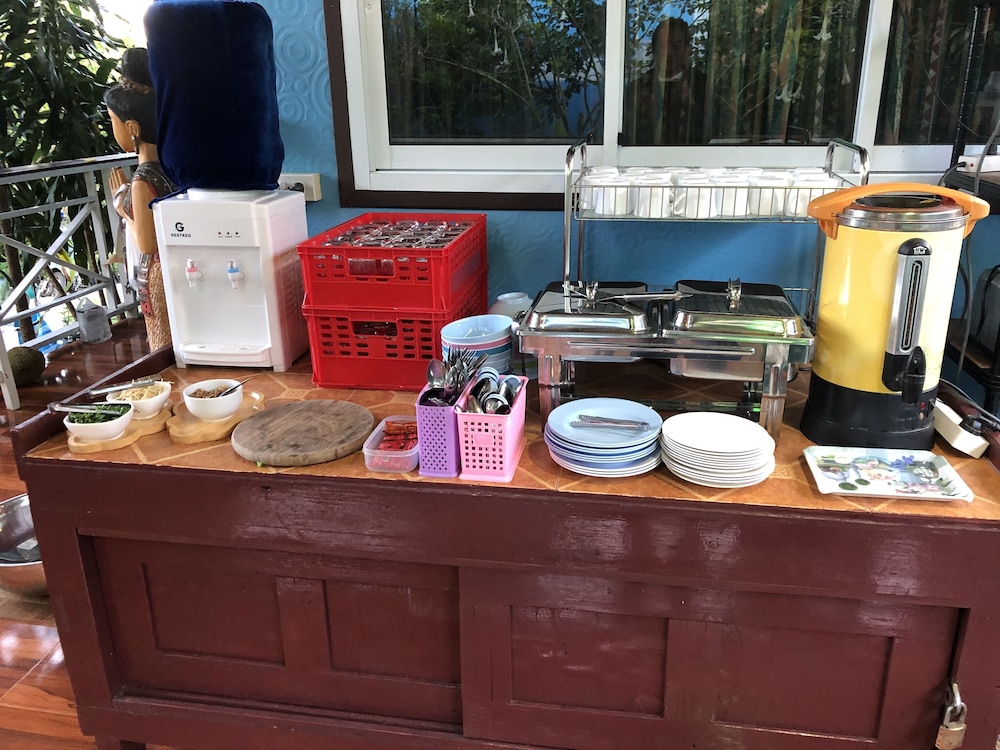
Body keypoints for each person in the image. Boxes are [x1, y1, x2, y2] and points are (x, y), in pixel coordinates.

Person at [104, 48, 176, 351]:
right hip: (178, 265)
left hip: (158, 274)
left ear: (132, 128)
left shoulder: (143, 178)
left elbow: (147, 244)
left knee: (162, 345)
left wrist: (122, 207)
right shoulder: (173, 166)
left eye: (113, 121)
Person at [623, 17, 694, 145]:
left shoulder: (700, 86)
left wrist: (692, 105)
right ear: (654, 50)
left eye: (676, 46)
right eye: (663, 46)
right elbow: (623, 138)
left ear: (687, 50)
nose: (669, 53)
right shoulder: (637, 89)